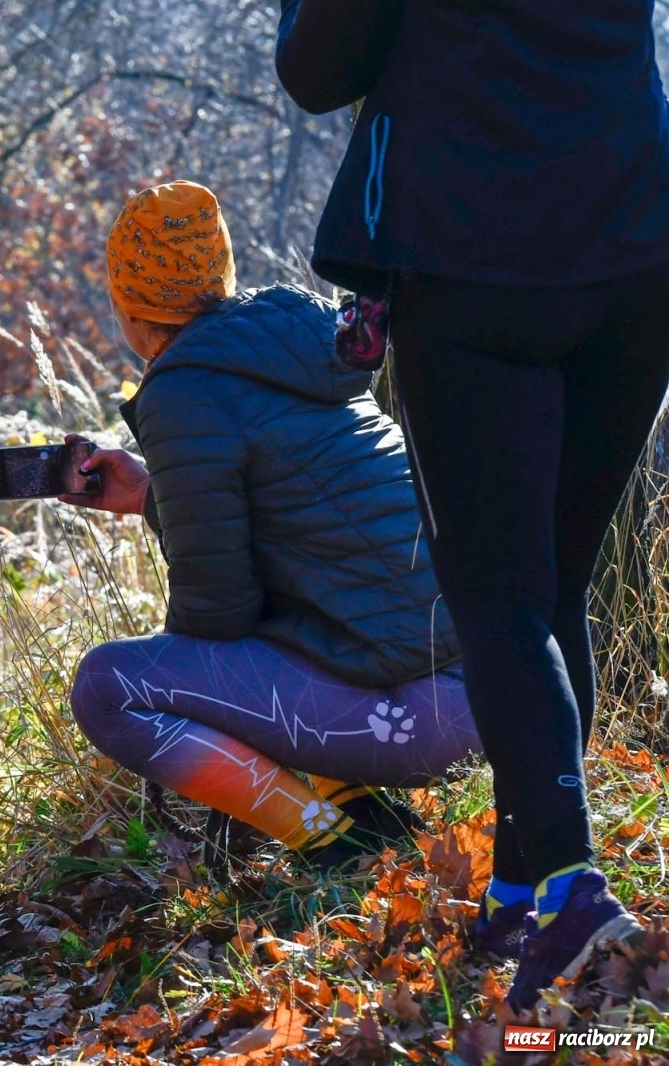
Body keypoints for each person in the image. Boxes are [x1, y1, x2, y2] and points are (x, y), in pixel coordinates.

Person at [276, 0, 669, 1010]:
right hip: (637, 243)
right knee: (551, 585)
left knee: (497, 595)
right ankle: (516, 887)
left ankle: (573, 891)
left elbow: (316, 68)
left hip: (471, 258)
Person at [64, 180, 482, 882]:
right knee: (249, 654)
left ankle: (337, 847)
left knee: (108, 686)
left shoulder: (183, 387)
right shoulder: (293, 345)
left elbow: (216, 615)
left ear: (133, 311)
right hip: (497, 684)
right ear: (220, 276)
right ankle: (364, 815)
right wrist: (151, 498)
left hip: (418, 719)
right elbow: (300, 522)